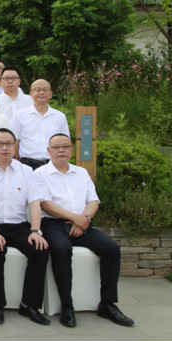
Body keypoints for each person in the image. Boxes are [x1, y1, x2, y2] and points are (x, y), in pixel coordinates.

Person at [36, 133, 134, 328]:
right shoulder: (39, 174)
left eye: (65, 146)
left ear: (72, 149)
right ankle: (67, 305)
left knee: (111, 248)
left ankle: (107, 304)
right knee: (62, 249)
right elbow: (45, 204)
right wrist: (76, 219)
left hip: (83, 223)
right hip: (54, 224)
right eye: (56, 147)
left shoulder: (81, 173)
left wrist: (84, 219)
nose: (61, 150)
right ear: (48, 151)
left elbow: (93, 200)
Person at [0, 128, 50, 326]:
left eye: (9, 144)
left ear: (15, 146)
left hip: (19, 226)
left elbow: (35, 203)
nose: (4, 148)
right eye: (0, 144)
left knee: (40, 249)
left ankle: (30, 305)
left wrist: (35, 231)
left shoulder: (26, 171)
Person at [13, 79, 70, 170]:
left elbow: (65, 142)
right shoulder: (20, 115)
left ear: (50, 94)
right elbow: (15, 142)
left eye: (45, 90)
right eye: (37, 90)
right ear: (31, 94)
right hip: (27, 165)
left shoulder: (59, 116)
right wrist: (18, 164)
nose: (41, 93)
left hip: (53, 164)